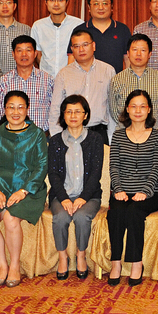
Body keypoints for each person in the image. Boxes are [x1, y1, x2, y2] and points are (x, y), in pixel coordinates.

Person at [0, 90, 48, 288]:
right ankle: (2, 266)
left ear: (27, 109)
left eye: (20, 107)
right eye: (11, 107)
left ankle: (15, 266)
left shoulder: (37, 134)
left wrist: (23, 191)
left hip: (28, 189)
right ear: (4, 109)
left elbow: (41, 167)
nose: (16, 112)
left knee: (10, 218)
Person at [107, 89, 158, 287]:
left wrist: (145, 191)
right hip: (121, 191)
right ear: (127, 109)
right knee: (115, 213)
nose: (138, 111)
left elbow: (156, 167)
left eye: (142, 106)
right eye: (134, 106)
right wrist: (118, 189)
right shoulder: (118, 136)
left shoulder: (157, 136)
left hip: (149, 193)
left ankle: (136, 263)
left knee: (134, 212)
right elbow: (114, 167)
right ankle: (115, 263)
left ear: (149, 110)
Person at [48, 94, 103, 281]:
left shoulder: (95, 139)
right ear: (63, 115)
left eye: (77, 112)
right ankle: (63, 257)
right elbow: (53, 174)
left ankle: (81, 255)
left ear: (85, 115)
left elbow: (96, 173)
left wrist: (82, 198)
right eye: (69, 111)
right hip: (61, 195)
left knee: (81, 216)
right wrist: (64, 198)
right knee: (60, 217)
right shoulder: (55, 141)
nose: (73, 116)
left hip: (89, 196)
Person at [48, 30, 116, 143]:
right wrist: (57, 138)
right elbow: (55, 109)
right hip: (71, 133)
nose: (81, 49)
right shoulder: (64, 74)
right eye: (76, 46)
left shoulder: (108, 71)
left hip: (99, 132)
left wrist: (111, 138)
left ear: (93, 46)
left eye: (85, 45)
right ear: (72, 49)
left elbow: (111, 108)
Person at [108, 34, 158, 132]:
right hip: (126, 134)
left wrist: (154, 128)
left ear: (149, 54)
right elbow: (114, 111)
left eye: (143, 50)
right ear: (128, 53)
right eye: (134, 50)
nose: (138, 54)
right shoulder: (117, 79)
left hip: (154, 133)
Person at [0, 35, 54, 131]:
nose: (24, 54)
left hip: (41, 135)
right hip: (11, 136)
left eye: (28, 50)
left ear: (35, 53)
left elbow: (55, 111)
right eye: (19, 50)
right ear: (13, 54)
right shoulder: (3, 82)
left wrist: (42, 132)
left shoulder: (48, 80)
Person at [70, 0, 131, 73]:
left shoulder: (122, 30)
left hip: (115, 80)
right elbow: (72, 59)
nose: (101, 7)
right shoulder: (80, 30)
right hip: (85, 80)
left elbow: (128, 60)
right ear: (89, 7)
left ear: (112, 6)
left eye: (105, 3)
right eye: (96, 4)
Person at [31, 0, 84, 78]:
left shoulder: (78, 24)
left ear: (67, 2)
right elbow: (38, 54)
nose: (56, 4)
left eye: (60, 0)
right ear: (46, 2)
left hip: (72, 78)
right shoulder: (38, 26)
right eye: (52, 0)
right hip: (46, 79)